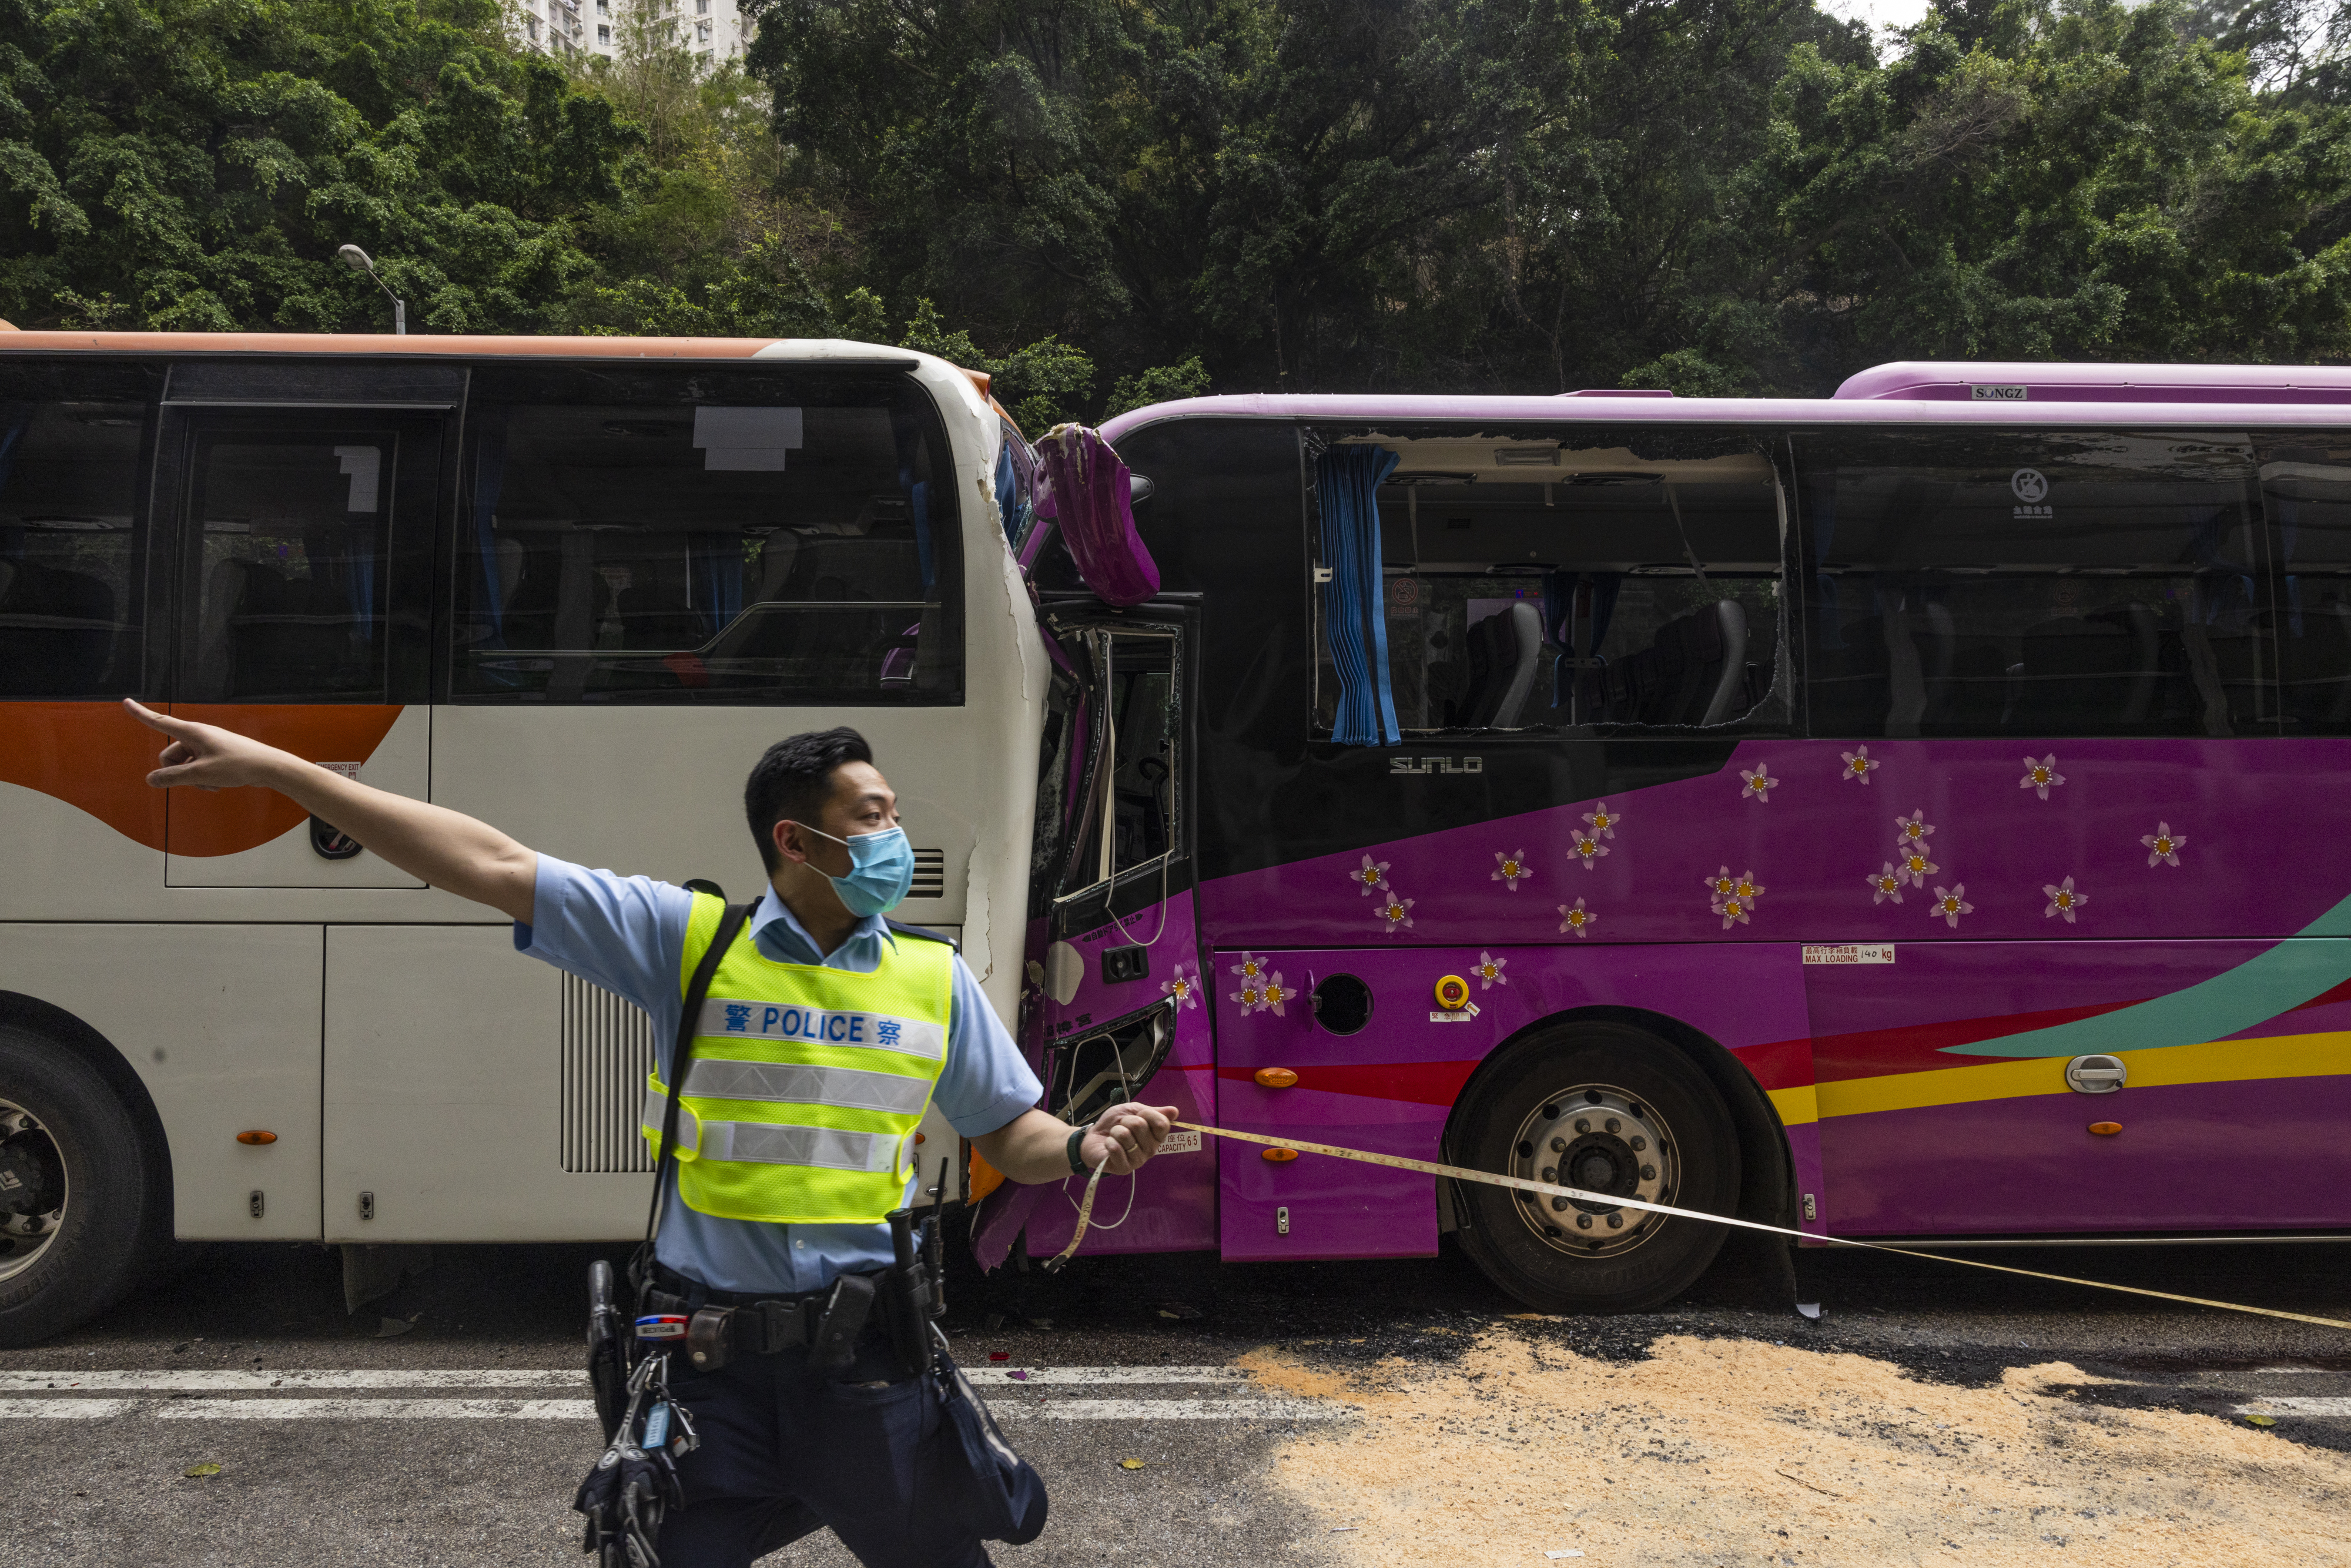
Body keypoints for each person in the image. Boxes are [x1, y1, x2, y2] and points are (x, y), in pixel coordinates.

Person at [123, 699, 1175, 1568]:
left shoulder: (933, 979)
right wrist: (283, 771)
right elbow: (486, 862)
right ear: (795, 841)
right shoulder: (691, 942)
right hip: (707, 1371)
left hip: (868, 1373)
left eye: (891, 812)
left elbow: (1014, 1130)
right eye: (872, 816)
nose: (895, 836)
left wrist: (1084, 1145)